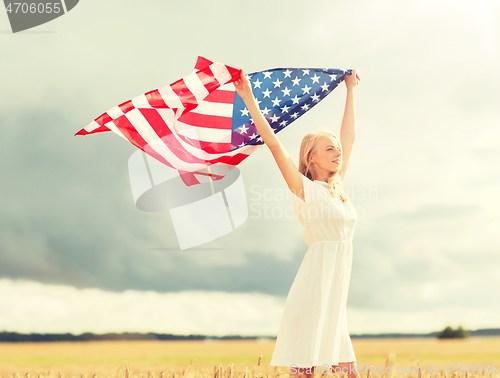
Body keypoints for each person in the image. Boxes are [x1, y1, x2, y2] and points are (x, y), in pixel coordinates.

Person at [234, 67, 361, 378]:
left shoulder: (338, 190)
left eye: (338, 149)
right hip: (312, 294)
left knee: (350, 373)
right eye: (329, 148)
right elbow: (274, 145)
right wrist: (248, 97)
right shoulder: (305, 190)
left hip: (334, 300)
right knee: (303, 374)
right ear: (311, 158)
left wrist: (350, 90)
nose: (338, 152)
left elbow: (350, 137)